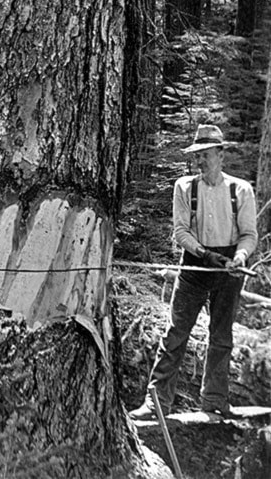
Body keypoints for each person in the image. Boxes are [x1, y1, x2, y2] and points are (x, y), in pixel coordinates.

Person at [130, 124, 258, 420]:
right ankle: (157, 403)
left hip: (229, 268)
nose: (200, 162)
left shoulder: (241, 190)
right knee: (176, 332)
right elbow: (180, 231)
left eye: (206, 155)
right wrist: (203, 253)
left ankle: (214, 399)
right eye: (196, 156)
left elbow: (249, 235)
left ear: (221, 155)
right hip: (195, 263)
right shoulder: (185, 187)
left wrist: (240, 256)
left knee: (221, 335)